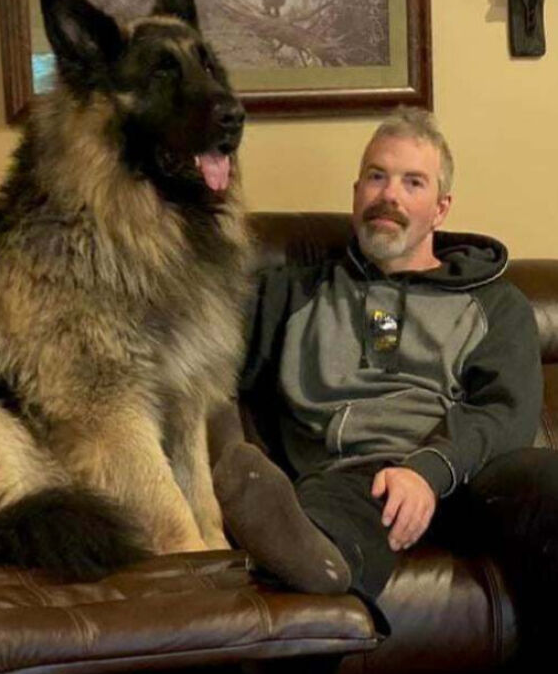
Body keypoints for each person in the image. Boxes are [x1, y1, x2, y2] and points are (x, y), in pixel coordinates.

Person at [212, 107, 548, 603]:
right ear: (355, 194)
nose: (389, 195)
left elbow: (505, 411)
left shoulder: (495, 303)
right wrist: (227, 453)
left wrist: (427, 472)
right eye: (376, 176)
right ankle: (311, 558)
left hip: (469, 480)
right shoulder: (290, 296)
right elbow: (201, 367)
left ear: (441, 208)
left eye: (413, 182)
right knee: (327, 507)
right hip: (352, 480)